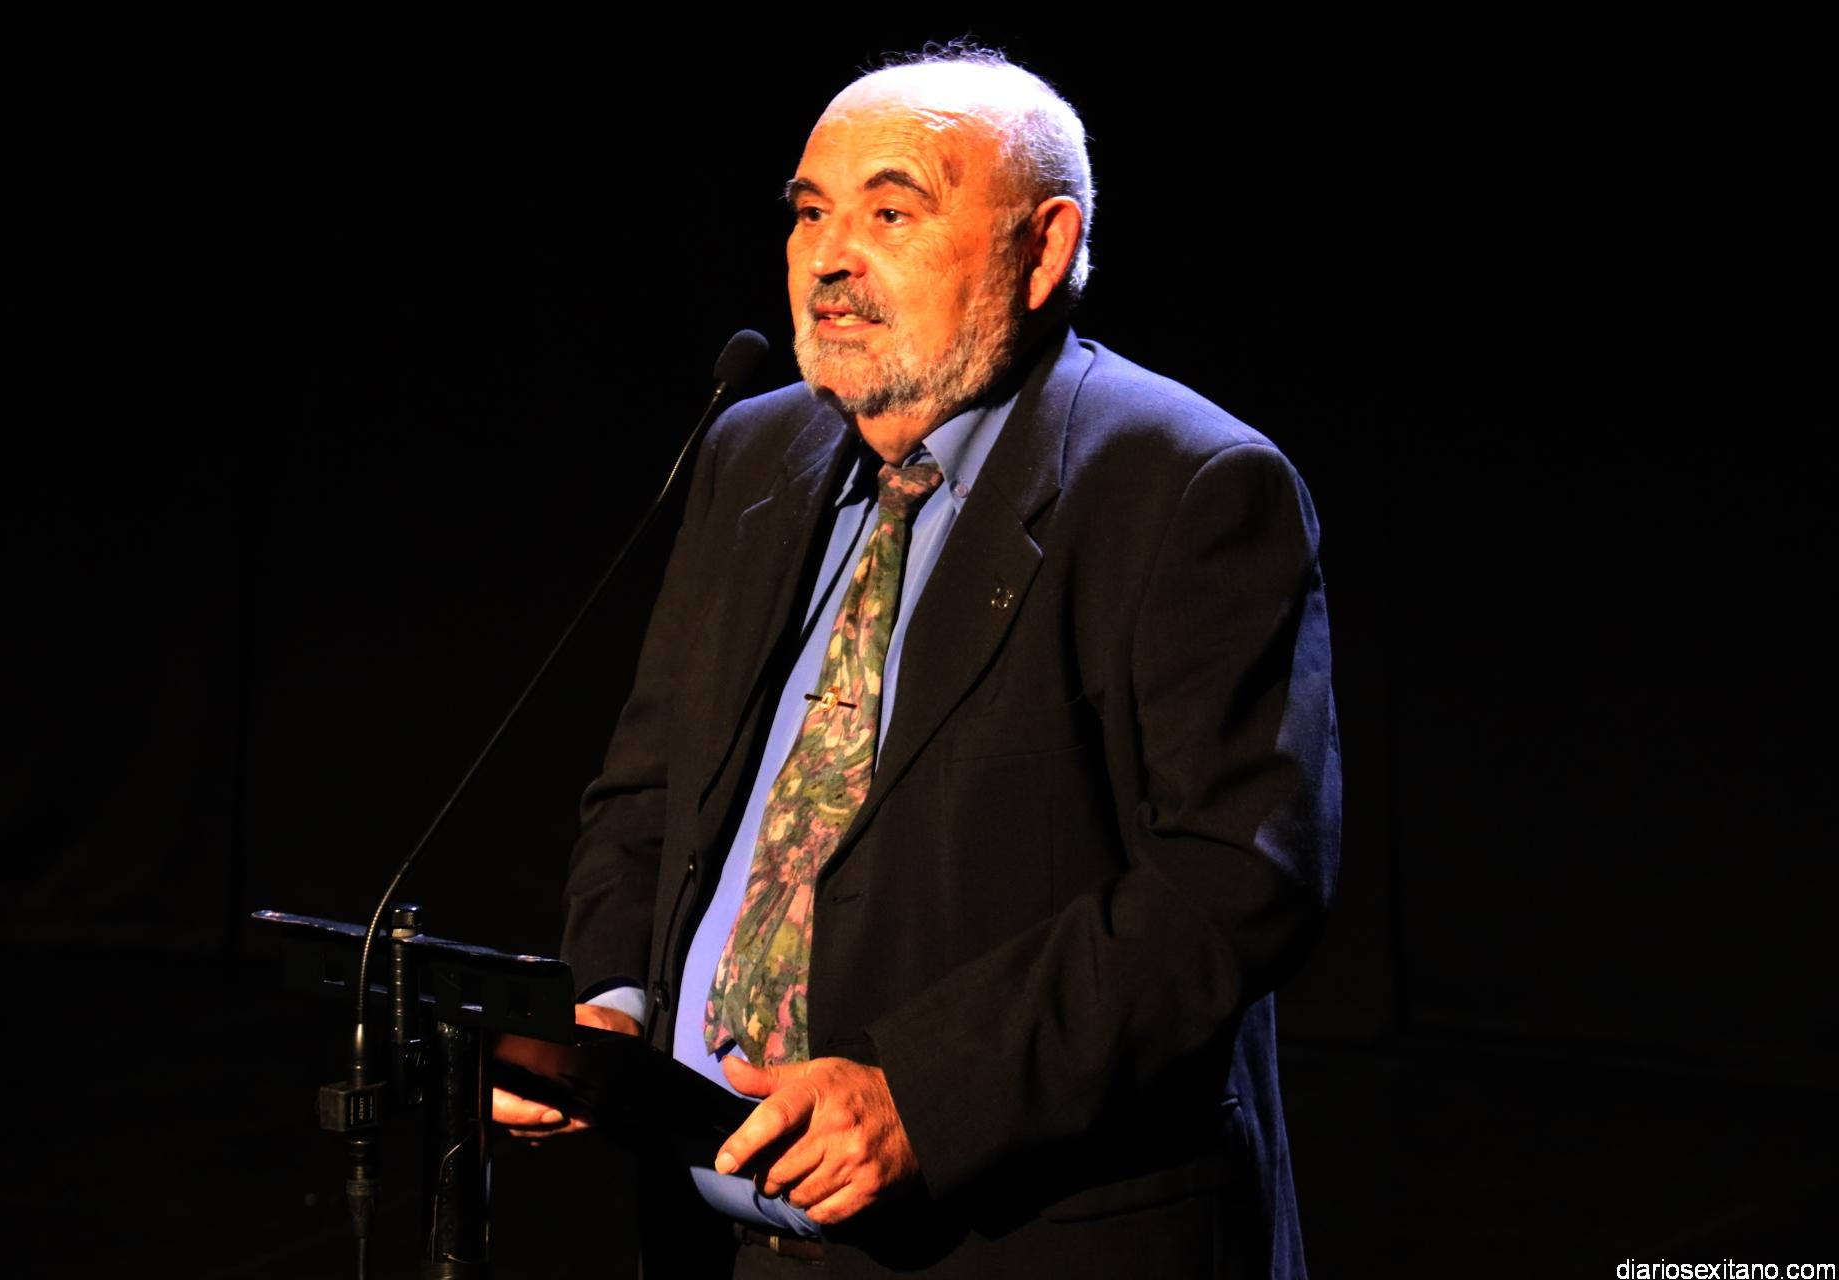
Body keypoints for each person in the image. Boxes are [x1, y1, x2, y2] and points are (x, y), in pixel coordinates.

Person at [495, 46, 1339, 1279]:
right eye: (810, 214)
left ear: (1042, 249)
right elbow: (650, 790)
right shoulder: (752, 450)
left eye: (891, 213)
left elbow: (1231, 880)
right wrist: (610, 1004)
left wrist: (923, 1095)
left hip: (1020, 1238)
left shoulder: (1187, 486)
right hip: (717, 1235)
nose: (831, 256)